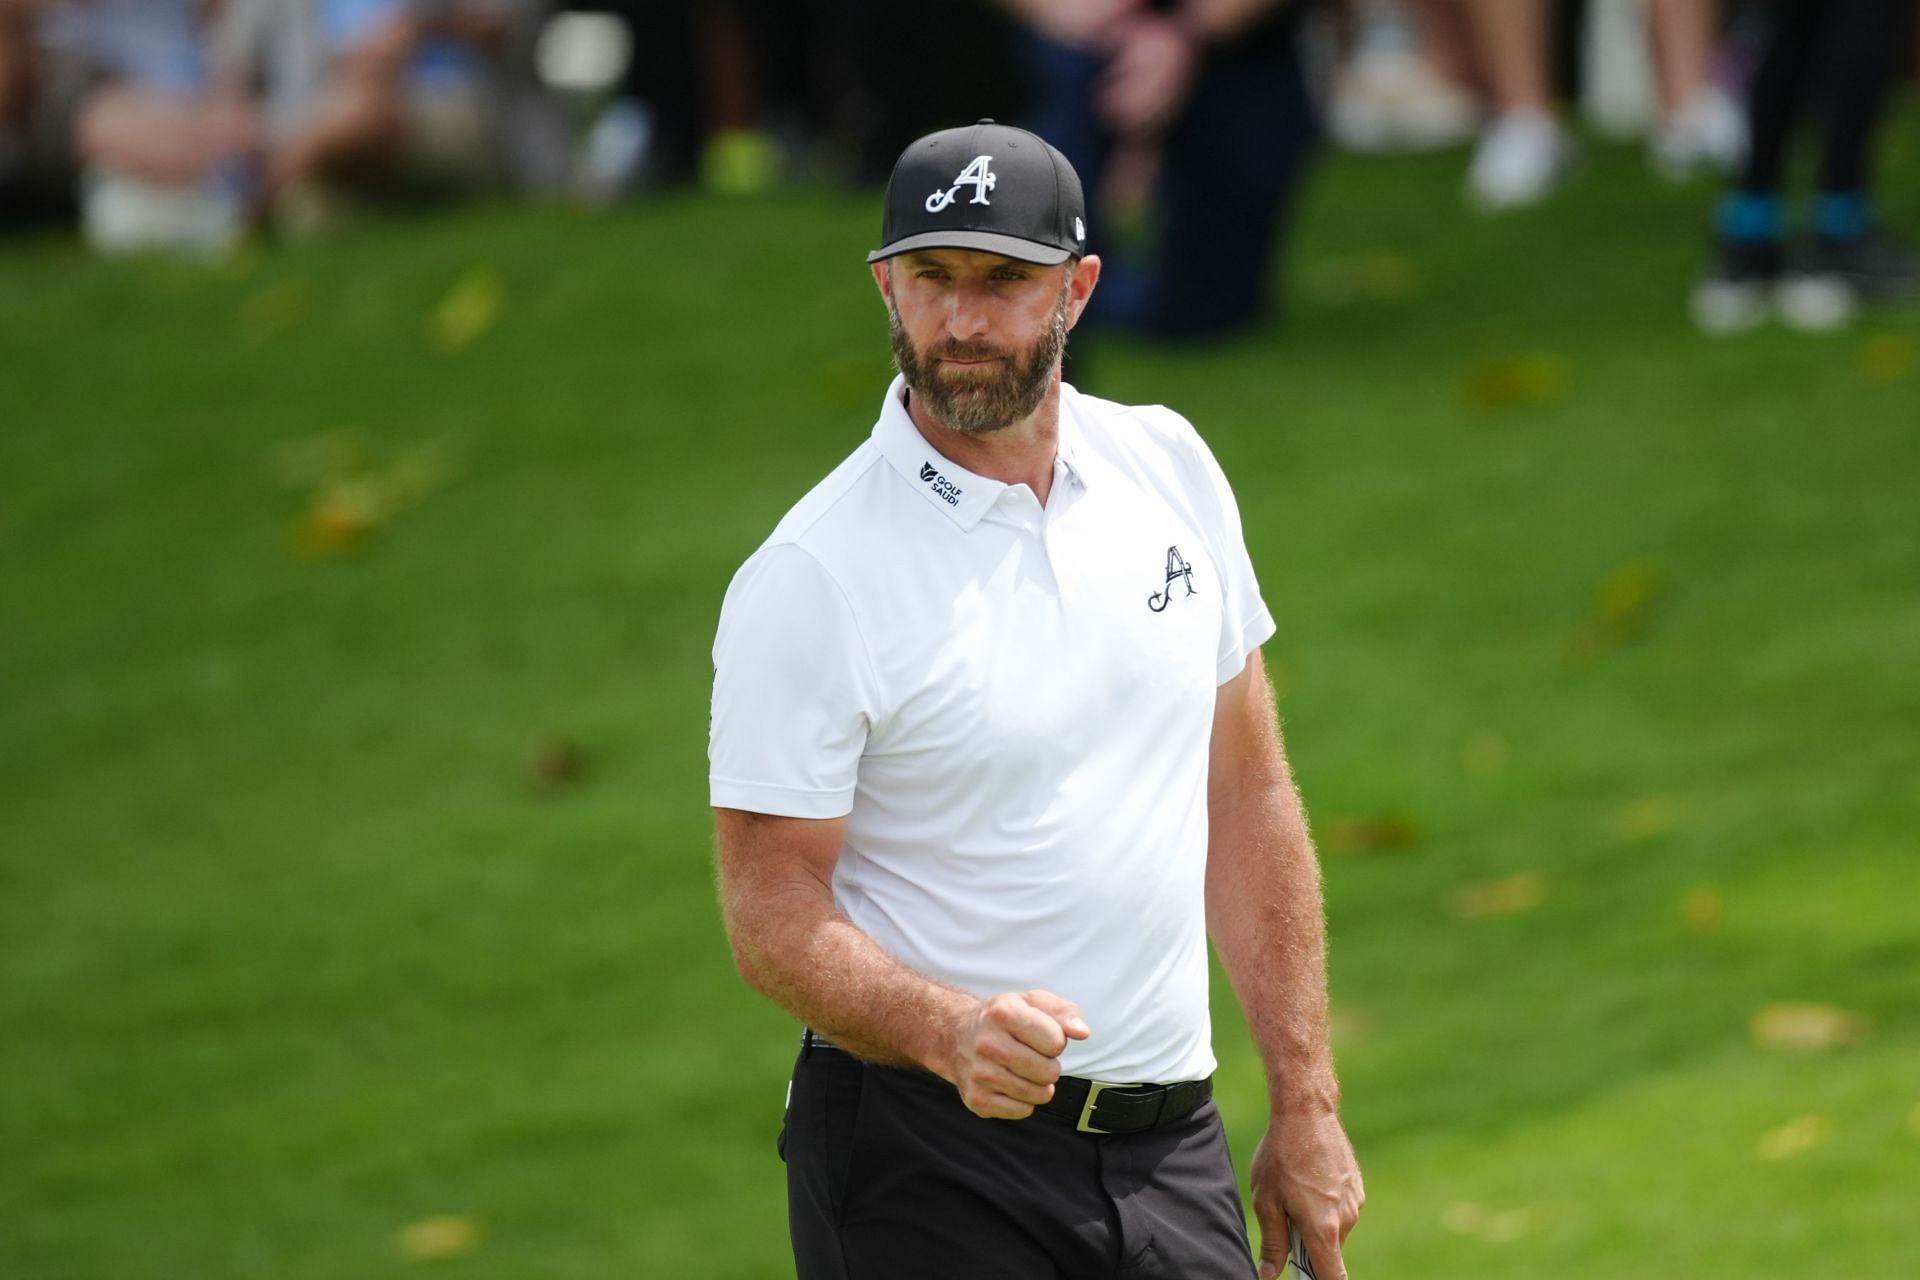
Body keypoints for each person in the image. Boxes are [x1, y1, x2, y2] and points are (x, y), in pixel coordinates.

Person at [709, 119, 1364, 1279]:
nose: (961, 322)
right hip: (927, 1154)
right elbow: (768, 899)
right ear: (886, 288)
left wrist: (1306, 1100)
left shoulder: (1170, 466)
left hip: (1175, 1147)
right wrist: (946, 1029)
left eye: (1004, 281)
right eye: (932, 279)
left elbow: (1246, 787)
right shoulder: (811, 574)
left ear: (1079, 286)